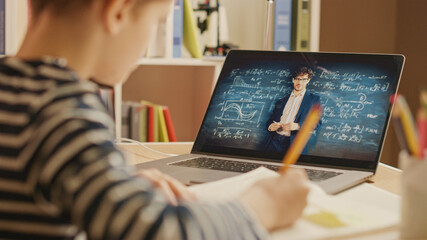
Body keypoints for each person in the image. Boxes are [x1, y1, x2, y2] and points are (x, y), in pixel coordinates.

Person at [0, 0, 310, 239]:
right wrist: (263, 206)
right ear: (117, 11)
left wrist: (114, 186)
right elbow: (161, 232)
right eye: (158, 22)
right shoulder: (62, 110)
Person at [266, 67, 322, 154]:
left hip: (295, 144)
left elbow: (317, 123)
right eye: (297, 79)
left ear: (308, 80)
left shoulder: (314, 99)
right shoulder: (281, 100)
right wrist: (270, 126)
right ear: (293, 80)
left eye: (303, 79)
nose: (300, 82)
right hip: (274, 141)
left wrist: (298, 126)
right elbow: (270, 120)